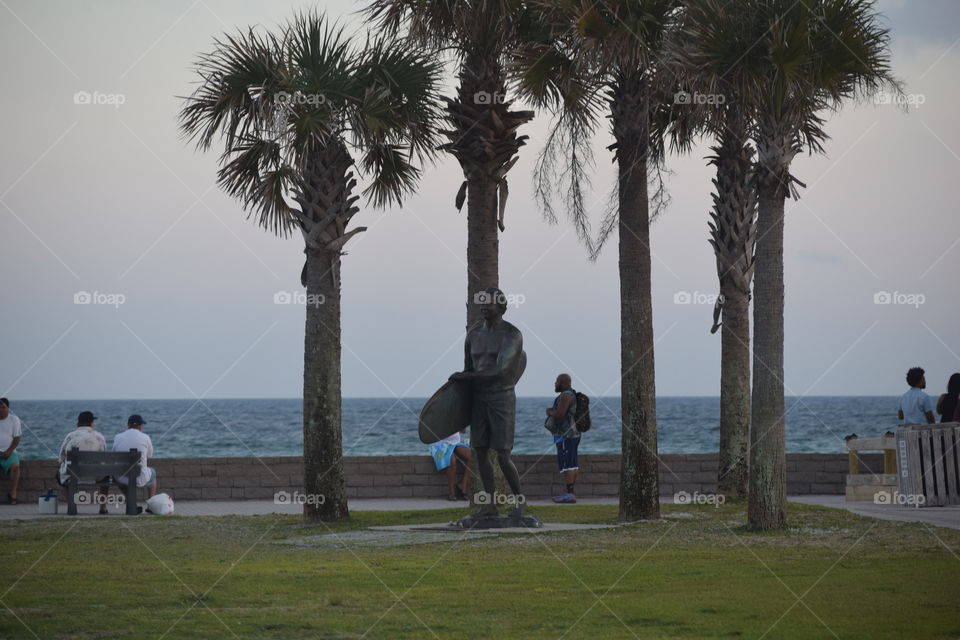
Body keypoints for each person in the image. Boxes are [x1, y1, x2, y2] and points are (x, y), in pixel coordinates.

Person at [449, 287, 525, 517]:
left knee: (503, 454)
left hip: (501, 397)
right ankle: (490, 504)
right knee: (480, 452)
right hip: (478, 398)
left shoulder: (512, 334)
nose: (483, 306)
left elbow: (502, 370)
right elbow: (469, 369)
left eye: (489, 303)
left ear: (501, 306)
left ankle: (520, 502)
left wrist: (467, 377)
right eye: (481, 302)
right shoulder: (473, 335)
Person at [57, 410, 109, 514]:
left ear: (79, 422)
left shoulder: (70, 436)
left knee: (58, 476)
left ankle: (72, 505)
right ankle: (103, 507)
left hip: (73, 475)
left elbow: (61, 458)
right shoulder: (99, 437)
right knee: (106, 476)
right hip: (96, 475)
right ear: (91, 423)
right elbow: (104, 457)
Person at [546, 374, 580, 504]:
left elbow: (560, 414)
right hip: (573, 434)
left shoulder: (566, 395)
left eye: (557, 381)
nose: (555, 384)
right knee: (572, 462)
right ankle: (570, 492)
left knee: (568, 464)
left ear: (563, 383)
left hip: (566, 435)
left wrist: (549, 412)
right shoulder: (572, 394)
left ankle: (570, 494)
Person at [113, 414, 158, 501]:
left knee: (117, 477)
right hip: (140, 477)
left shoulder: (118, 437)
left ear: (128, 425)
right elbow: (149, 455)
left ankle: (130, 499)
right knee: (153, 472)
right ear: (140, 426)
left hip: (121, 477)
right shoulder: (145, 437)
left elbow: (114, 455)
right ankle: (150, 503)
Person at [429, 431, 472, 501]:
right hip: (440, 443)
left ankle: (463, 487)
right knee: (451, 460)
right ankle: (452, 493)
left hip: (455, 442)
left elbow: (463, 430)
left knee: (472, 457)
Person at [0, 398, 23, 505]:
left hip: (10, 451)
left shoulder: (14, 419)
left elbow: (17, 438)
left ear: (8, 408)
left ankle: (13, 493)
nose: (1, 409)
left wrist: (9, 451)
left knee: (16, 467)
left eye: (3, 407)